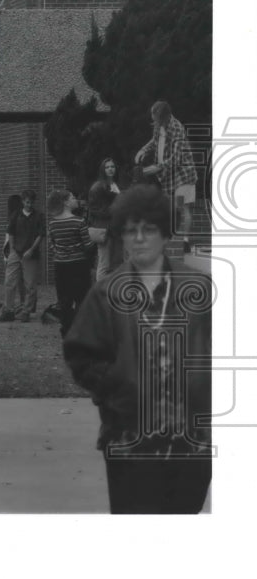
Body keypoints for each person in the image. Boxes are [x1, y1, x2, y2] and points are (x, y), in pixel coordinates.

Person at [63, 185, 212, 513]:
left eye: (149, 229)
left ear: (165, 234)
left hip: (192, 444)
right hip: (129, 441)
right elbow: (80, 354)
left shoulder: (199, 290)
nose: (139, 238)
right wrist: (119, 388)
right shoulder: (105, 294)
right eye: (131, 231)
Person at [134, 100, 198, 248]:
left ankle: (186, 241)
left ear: (162, 115)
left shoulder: (176, 128)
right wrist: (143, 150)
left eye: (154, 115)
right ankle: (172, 238)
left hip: (182, 176)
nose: (152, 117)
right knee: (172, 207)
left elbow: (176, 158)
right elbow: (154, 141)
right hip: (169, 176)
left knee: (182, 207)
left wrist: (157, 168)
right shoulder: (159, 126)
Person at [45, 189, 95, 338]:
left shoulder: (53, 222)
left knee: (64, 300)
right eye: (72, 197)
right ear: (66, 202)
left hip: (60, 265)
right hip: (79, 264)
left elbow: (51, 244)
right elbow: (88, 245)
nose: (75, 200)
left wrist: (61, 252)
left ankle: (66, 329)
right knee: (81, 298)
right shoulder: (79, 221)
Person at [0, 189, 45, 323]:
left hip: (30, 254)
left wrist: (31, 249)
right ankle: (8, 310)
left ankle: (26, 311)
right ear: (23, 201)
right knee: (9, 281)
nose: (29, 205)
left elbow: (40, 235)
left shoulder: (38, 216)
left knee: (30, 284)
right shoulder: (16, 215)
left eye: (31, 202)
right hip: (16, 252)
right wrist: (13, 249)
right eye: (27, 202)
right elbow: (11, 233)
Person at [87, 157, 122, 281]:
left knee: (116, 263)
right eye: (107, 167)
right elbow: (94, 209)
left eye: (112, 166)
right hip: (104, 229)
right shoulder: (98, 187)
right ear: (103, 170)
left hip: (116, 229)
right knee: (104, 264)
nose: (110, 169)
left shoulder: (116, 184)